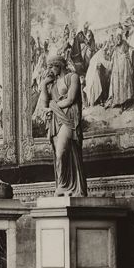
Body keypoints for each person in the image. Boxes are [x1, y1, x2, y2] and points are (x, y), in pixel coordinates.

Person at [43, 49, 88, 196]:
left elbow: (71, 99)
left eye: (51, 67)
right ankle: (64, 186)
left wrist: (53, 105)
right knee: (59, 155)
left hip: (68, 119)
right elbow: (45, 103)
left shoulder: (72, 77)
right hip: (56, 121)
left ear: (58, 65)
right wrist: (44, 84)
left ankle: (64, 186)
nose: (49, 70)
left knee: (61, 152)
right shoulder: (52, 84)